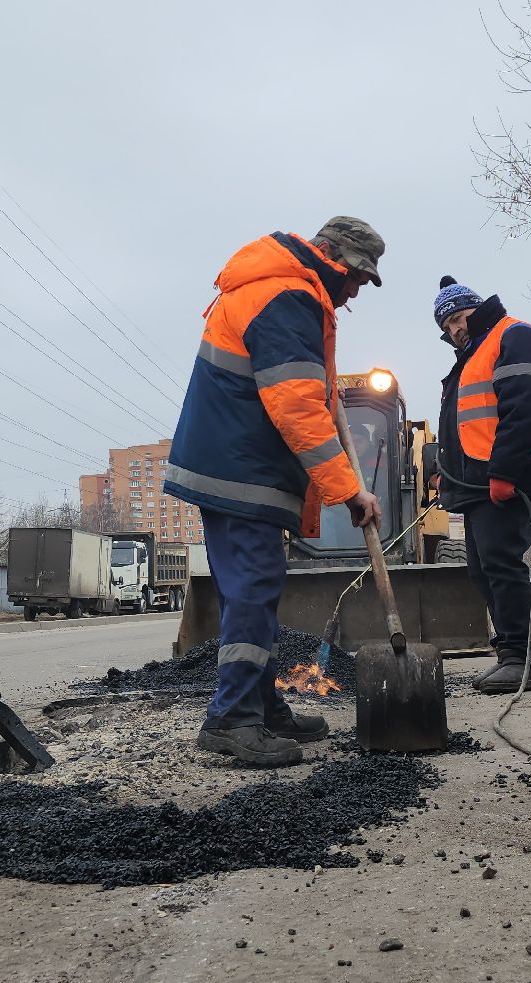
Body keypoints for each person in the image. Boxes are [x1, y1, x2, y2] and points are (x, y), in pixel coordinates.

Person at [164, 218, 386, 766]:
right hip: (242, 470)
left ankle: (259, 708)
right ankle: (233, 719)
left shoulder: (280, 287)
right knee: (253, 590)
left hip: (238, 467)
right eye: (356, 275)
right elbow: (296, 406)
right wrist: (349, 489)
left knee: (254, 591)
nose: (357, 289)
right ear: (330, 255)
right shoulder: (288, 296)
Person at [431, 276, 531, 694]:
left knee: (501, 564)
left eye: (458, 316)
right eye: (446, 325)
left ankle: (521, 662)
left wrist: (505, 472)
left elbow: (525, 408)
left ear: (476, 308)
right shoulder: (472, 355)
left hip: (509, 477)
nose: (454, 328)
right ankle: (510, 656)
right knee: (482, 567)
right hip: (479, 482)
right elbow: (471, 424)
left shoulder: (515, 336)